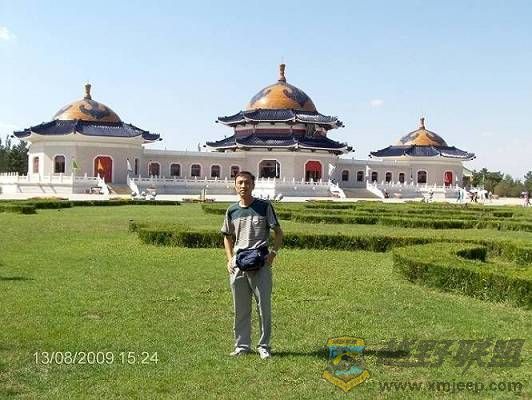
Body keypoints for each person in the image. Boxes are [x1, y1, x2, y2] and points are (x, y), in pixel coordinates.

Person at [221, 171, 283, 359]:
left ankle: (264, 346)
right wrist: (229, 259)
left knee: (263, 307)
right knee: (240, 308)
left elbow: (278, 232)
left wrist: (273, 253)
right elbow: (227, 236)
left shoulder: (264, 207)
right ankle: (242, 346)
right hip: (239, 264)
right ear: (235, 185)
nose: (243, 186)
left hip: (261, 262)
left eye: (247, 182)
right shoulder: (232, 210)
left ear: (253, 185)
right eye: (240, 182)